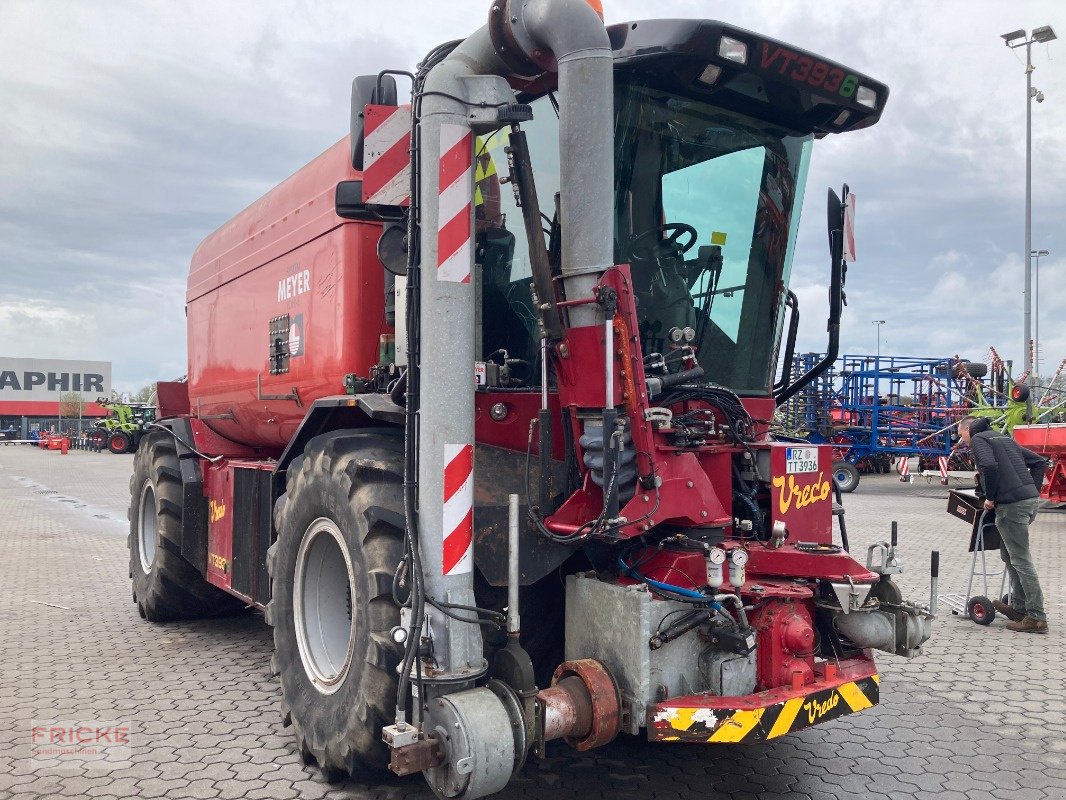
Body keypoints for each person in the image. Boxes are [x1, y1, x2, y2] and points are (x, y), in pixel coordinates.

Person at [959, 416, 1049, 633]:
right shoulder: (1003, 438)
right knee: (1009, 556)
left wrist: (990, 496)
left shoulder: (980, 439)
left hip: (1012, 506)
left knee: (1020, 558)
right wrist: (1032, 492)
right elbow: (1039, 462)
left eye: (962, 435)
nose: (963, 441)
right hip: (1026, 502)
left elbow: (989, 466)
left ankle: (1036, 617)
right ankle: (1019, 608)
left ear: (969, 430)